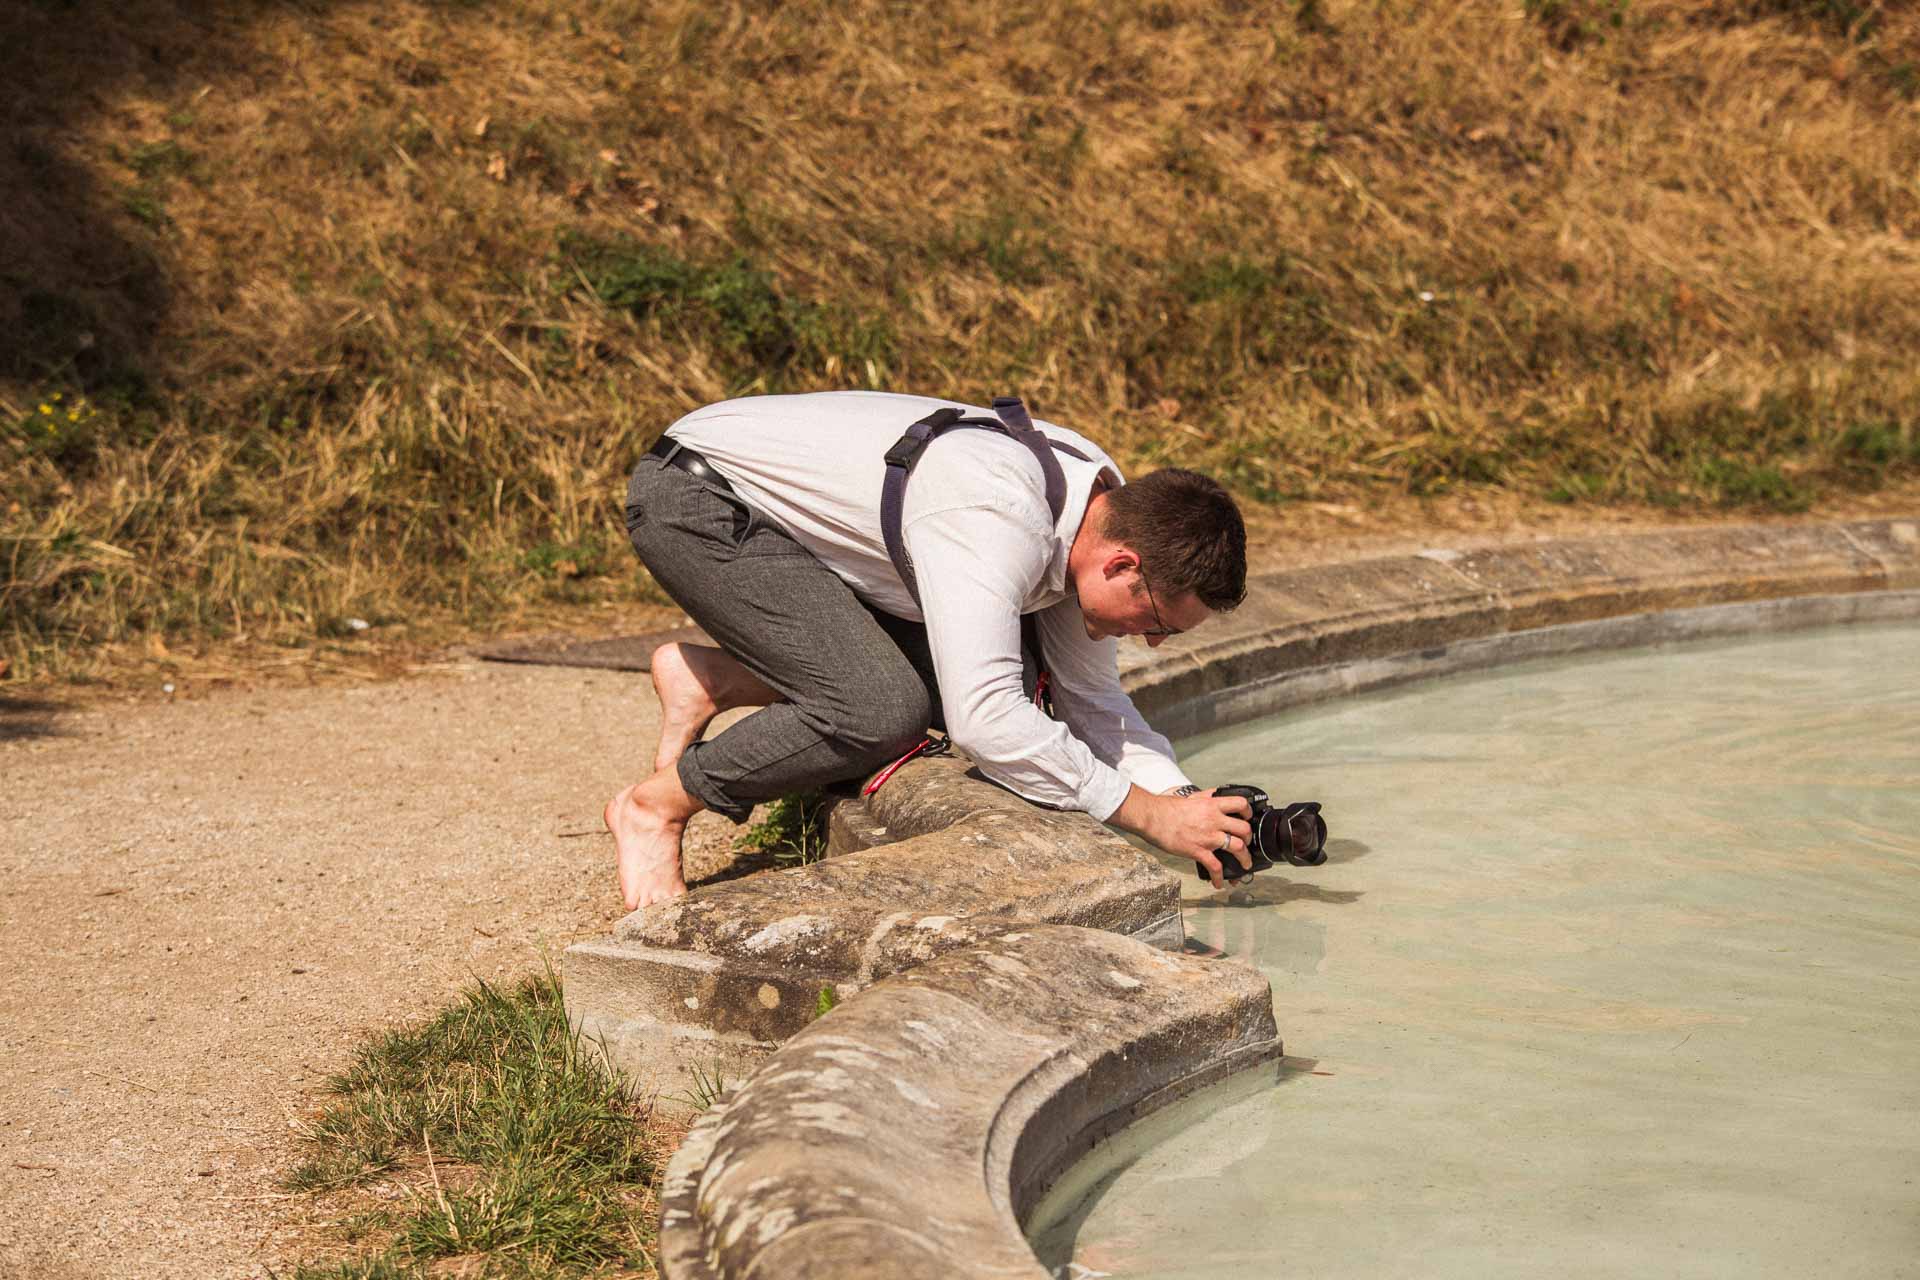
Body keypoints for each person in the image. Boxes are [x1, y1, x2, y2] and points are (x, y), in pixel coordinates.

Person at [605, 390, 1257, 909]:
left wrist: (1185, 803)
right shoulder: (997, 516)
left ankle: (718, 678)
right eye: (1157, 620)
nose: (1152, 640)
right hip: (701, 500)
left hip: (791, 530)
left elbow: (1090, 702)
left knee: (1036, 694)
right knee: (880, 711)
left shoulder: (1096, 509)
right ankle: (655, 806)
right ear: (1121, 565)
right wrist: (1146, 817)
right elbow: (986, 724)